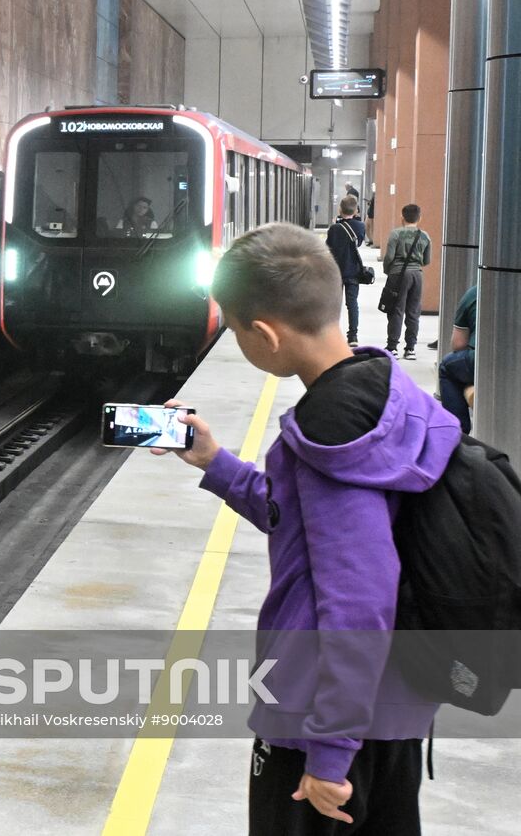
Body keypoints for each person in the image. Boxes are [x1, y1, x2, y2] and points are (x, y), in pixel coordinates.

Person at [155, 223, 459, 836]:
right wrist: (218, 464)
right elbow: (310, 518)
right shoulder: (384, 390)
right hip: (392, 703)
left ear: (264, 335)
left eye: (237, 329)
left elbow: (357, 602)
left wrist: (329, 754)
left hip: (322, 721)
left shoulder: (326, 433)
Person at [382, 204, 431, 359]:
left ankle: (392, 347)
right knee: (413, 311)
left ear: (402, 217)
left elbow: (389, 257)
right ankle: (410, 348)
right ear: (419, 218)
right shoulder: (425, 236)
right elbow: (426, 260)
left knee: (397, 309)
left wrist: (388, 271)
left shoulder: (396, 234)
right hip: (417, 275)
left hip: (398, 274)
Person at [324, 195, 366, 346]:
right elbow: (359, 243)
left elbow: (328, 247)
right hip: (353, 270)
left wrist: (336, 224)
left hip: (336, 270)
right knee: (352, 303)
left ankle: (331, 334)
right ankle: (353, 336)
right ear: (356, 210)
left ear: (340, 209)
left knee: (334, 303)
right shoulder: (360, 226)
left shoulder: (335, 228)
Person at [439, 283, 477, 433]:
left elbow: (458, 344)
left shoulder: (475, 294)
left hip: (483, 361)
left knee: (447, 367)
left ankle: (458, 433)